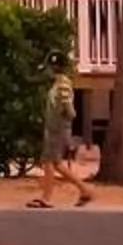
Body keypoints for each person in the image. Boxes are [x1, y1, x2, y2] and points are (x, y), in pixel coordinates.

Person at [31, 69, 93, 209]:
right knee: (56, 163)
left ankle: (46, 198)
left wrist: (63, 121)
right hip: (53, 129)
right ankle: (85, 190)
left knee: (48, 161)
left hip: (57, 130)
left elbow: (70, 110)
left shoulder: (63, 84)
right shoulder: (58, 83)